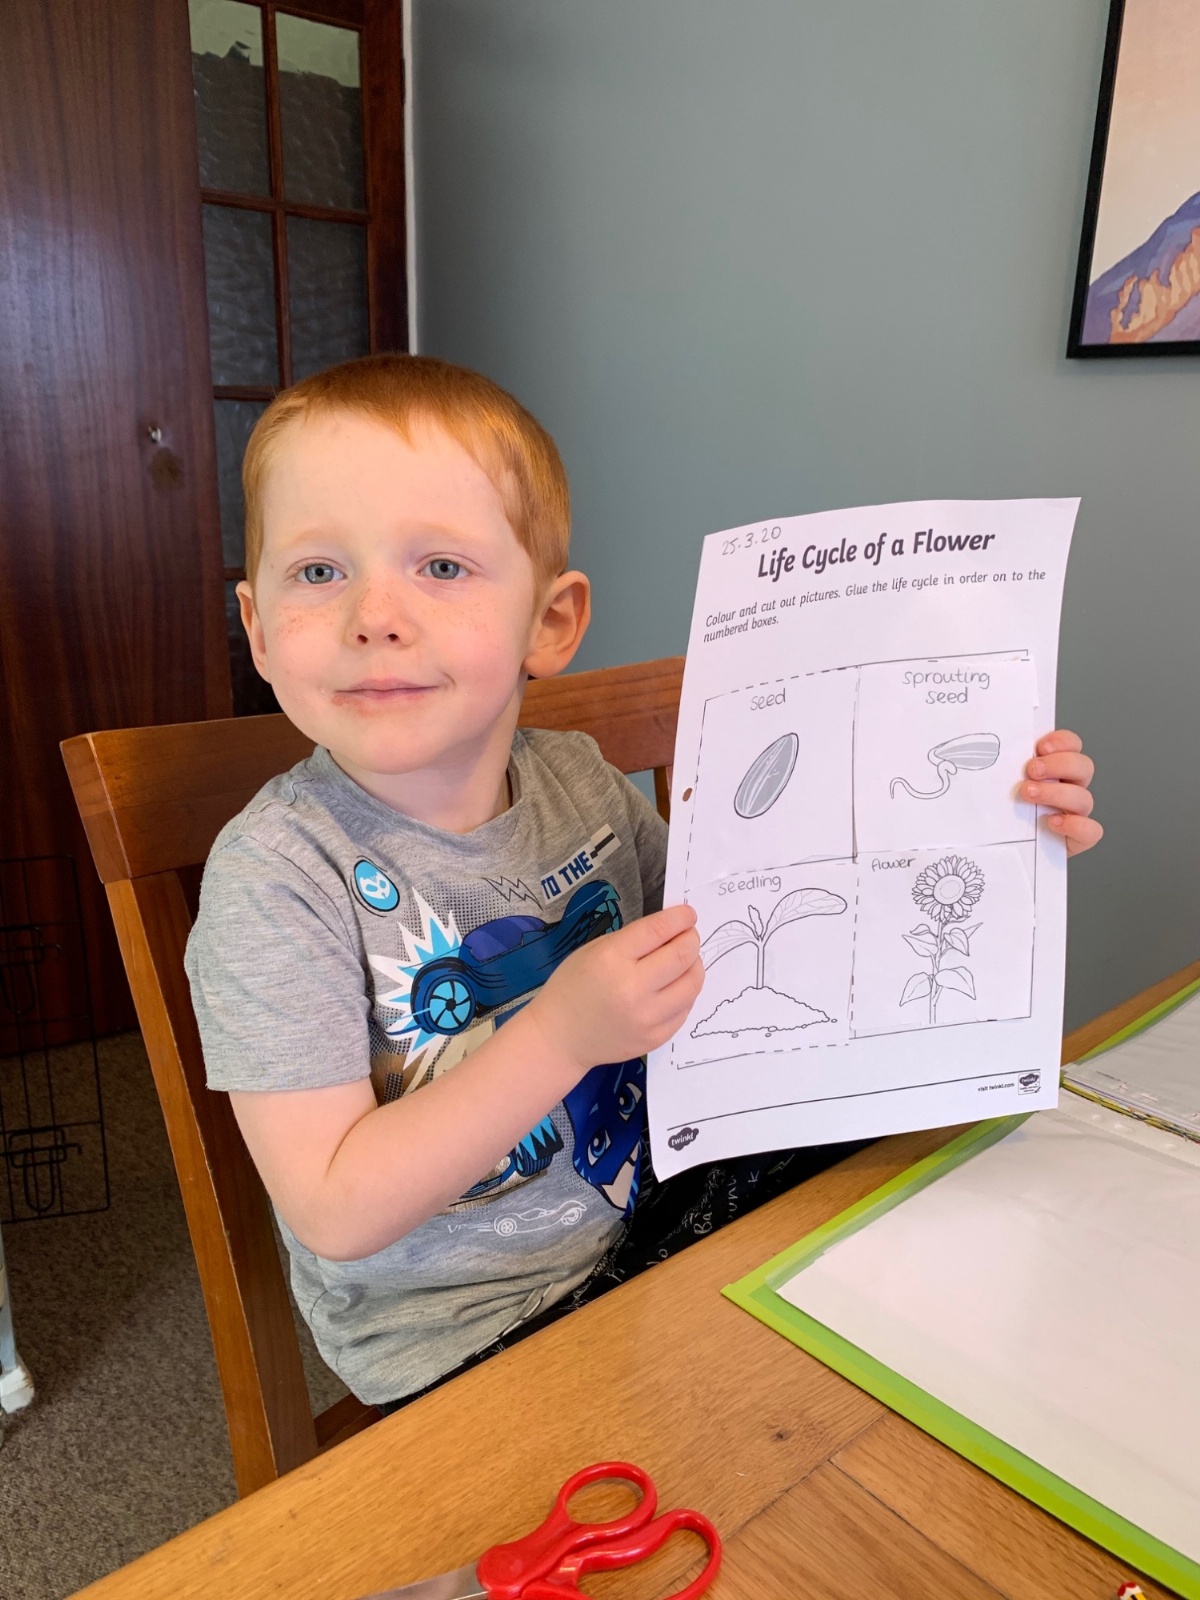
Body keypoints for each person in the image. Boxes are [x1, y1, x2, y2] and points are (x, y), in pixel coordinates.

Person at [185, 355, 1102, 1410]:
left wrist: (985, 833)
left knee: (963, 1241)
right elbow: (334, 1208)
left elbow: (733, 947)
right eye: (317, 572)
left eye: (440, 566)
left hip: (661, 1208)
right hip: (472, 1336)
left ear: (551, 624)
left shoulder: (579, 780)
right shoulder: (274, 877)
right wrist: (560, 1035)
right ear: (259, 629)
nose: (374, 614)